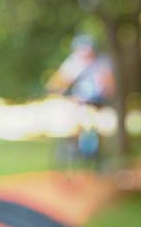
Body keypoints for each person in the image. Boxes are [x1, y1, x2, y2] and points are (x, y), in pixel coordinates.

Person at [46, 34, 116, 166]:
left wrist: (103, 89)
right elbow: (58, 81)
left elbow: (108, 85)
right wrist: (56, 89)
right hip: (79, 100)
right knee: (73, 116)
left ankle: (95, 153)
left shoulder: (102, 62)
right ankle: (74, 145)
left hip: (98, 100)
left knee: (95, 123)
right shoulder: (74, 62)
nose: (84, 55)